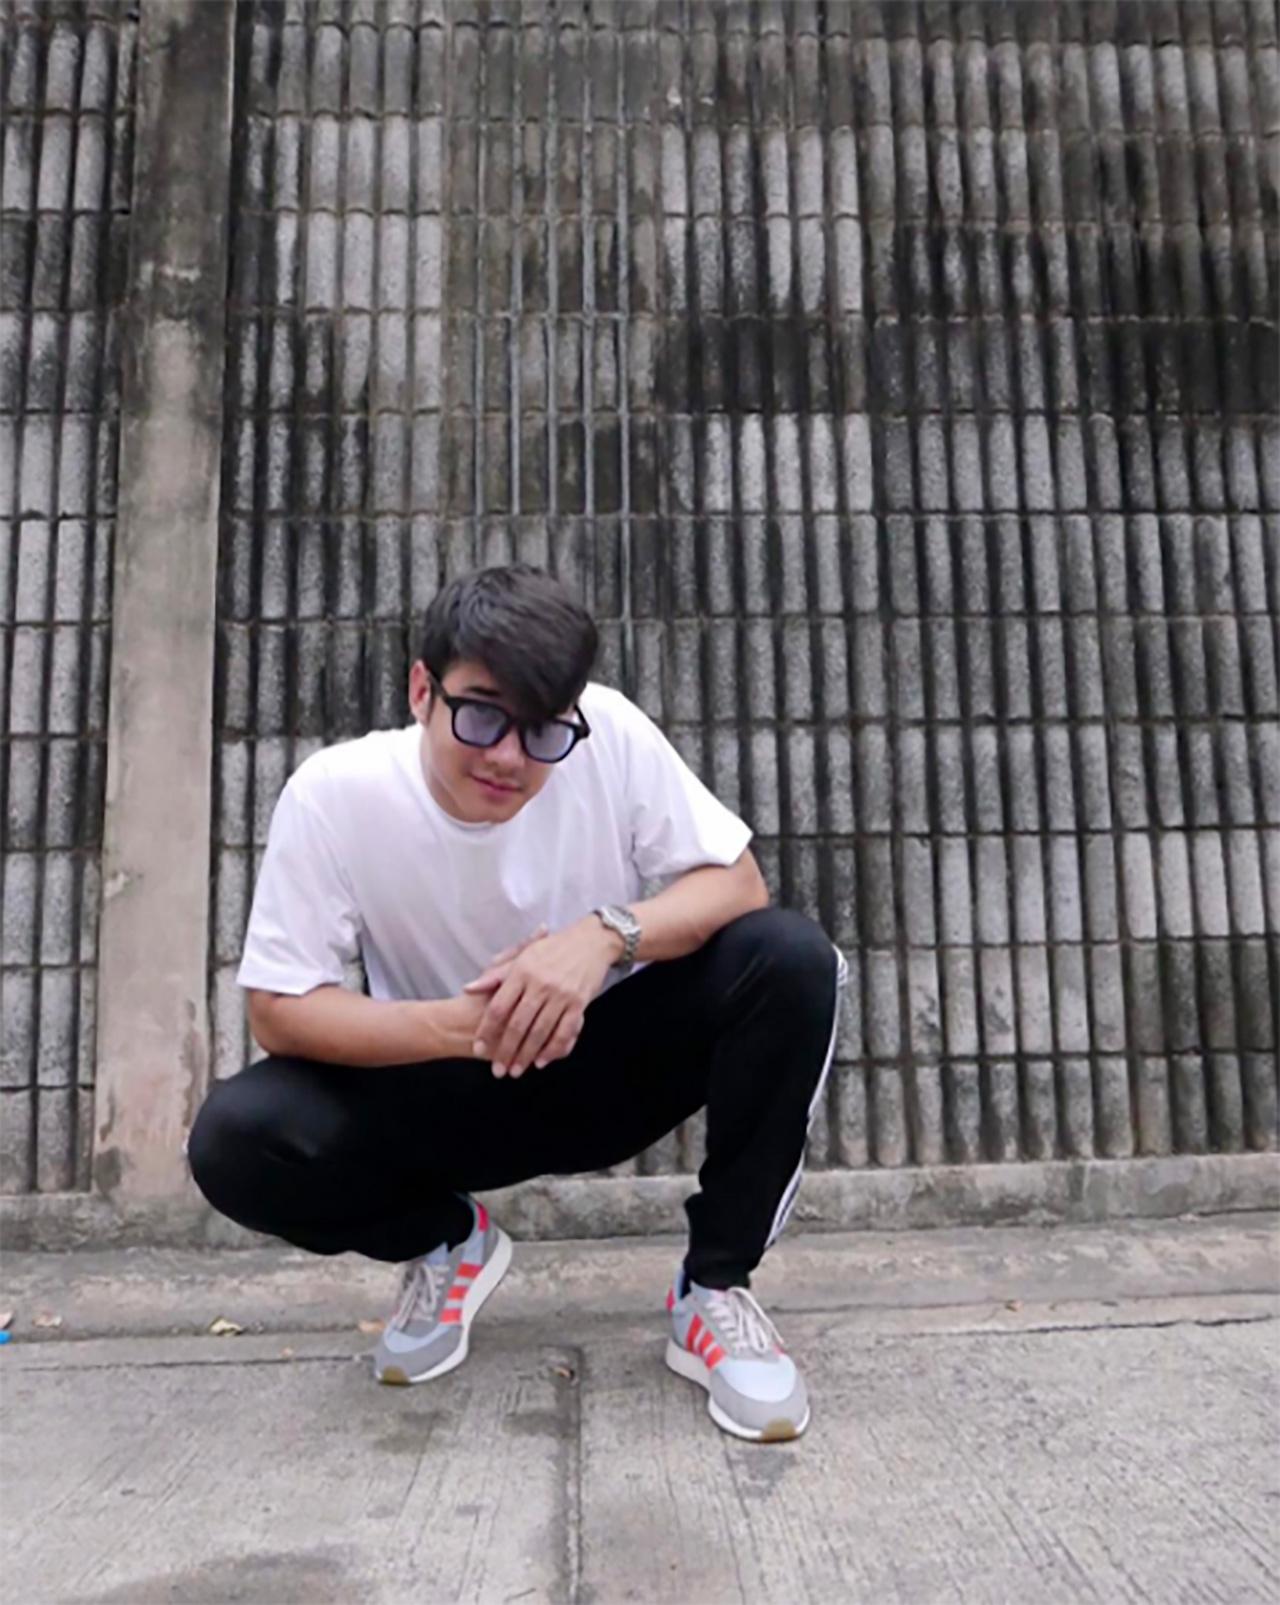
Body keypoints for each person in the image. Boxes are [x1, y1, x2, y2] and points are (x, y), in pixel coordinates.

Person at [188, 563, 845, 1443]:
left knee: (791, 959)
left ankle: (715, 1288)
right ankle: (446, 1241)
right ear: (422, 691)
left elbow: (737, 883)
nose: (507, 755)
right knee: (234, 1137)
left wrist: (602, 936)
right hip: (440, 1087)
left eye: (540, 728)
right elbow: (278, 1007)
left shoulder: (606, 733)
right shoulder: (336, 794)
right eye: (482, 714)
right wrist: (458, 1027)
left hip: (603, 1066)